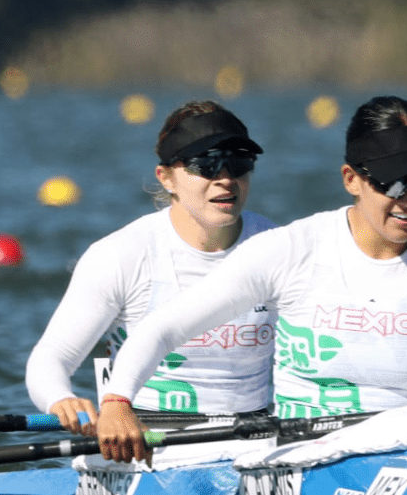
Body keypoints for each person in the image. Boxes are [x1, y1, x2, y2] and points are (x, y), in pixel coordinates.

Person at [96, 95, 407, 463]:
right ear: (351, 179)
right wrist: (117, 403)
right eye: (393, 184)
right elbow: (162, 329)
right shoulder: (293, 250)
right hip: (307, 455)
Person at [25, 101, 277, 462]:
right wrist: (60, 399)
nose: (225, 178)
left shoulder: (279, 248)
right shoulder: (122, 255)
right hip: (147, 442)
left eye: (238, 163)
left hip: (255, 439)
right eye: (205, 164)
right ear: (166, 177)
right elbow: (52, 357)